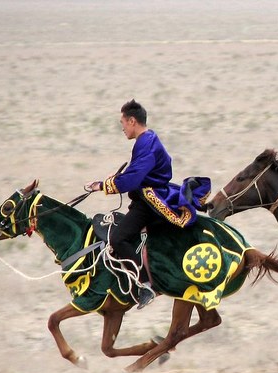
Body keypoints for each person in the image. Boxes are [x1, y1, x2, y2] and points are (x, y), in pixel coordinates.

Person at [85, 99, 209, 309]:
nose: (122, 128)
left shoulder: (146, 143)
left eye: (122, 123)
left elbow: (133, 179)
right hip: (145, 197)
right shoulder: (146, 141)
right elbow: (137, 174)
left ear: (132, 121)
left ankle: (145, 285)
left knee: (118, 239)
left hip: (150, 201)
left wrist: (101, 186)